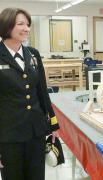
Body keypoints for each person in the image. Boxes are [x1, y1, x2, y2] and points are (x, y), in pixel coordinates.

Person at [0, 8, 60, 180]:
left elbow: (42, 91)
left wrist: (53, 124)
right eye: (21, 24)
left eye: (27, 24)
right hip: (8, 135)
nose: (26, 28)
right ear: (7, 26)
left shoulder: (33, 54)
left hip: (36, 130)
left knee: (36, 175)